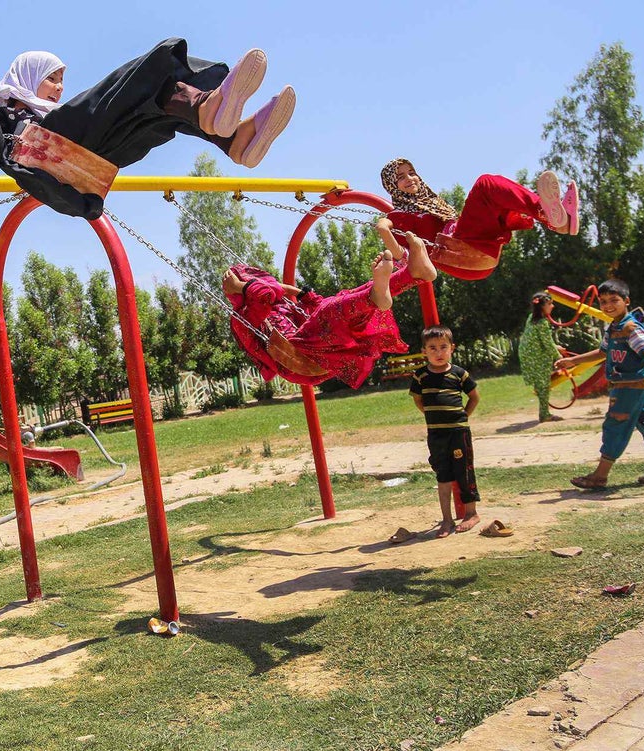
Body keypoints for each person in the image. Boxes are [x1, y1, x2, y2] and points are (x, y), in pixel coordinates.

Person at [0, 39, 297, 220]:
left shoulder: (54, 112)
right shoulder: (9, 109)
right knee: (152, 68)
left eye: (61, 80)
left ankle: (234, 139)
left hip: (90, 159)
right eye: (51, 78)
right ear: (26, 77)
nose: (59, 88)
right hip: (56, 150)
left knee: (156, 108)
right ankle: (208, 107)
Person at [222, 224, 437, 388]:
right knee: (329, 310)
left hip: (318, 350)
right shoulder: (242, 317)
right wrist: (240, 286)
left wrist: (298, 293)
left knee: (341, 301)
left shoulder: (282, 306)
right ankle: (381, 292)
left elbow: (313, 306)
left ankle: (411, 274)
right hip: (297, 358)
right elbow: (265, 294)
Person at [556, 279, 644, 489]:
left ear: (626, 301)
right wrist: (574, 360)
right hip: (638, 389)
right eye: (603, 301)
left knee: (615, 425)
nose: (608, 305)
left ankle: (600, 476)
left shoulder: (630, 328)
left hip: (628, 389)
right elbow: (603, 352)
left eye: (614, 300)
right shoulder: (613, 328)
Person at [378, 159, 580, 280]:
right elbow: (403, 257)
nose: (410, 178)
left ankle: (557, 221)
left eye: (412, 173)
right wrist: (384, 228)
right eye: (401, 177)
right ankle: (546, 213)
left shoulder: (431, 203)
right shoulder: (398, 216)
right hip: (459, 253)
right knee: (486, 184)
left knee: (497, 195)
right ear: (392, 186)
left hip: (480, 250)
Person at [409, 326, 481, 538]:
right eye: (432, 348)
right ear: (424, 351)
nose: (438, 352)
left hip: (459, 432)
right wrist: (433, 417)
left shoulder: (459, 373)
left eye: (443, 347)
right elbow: (418, 400)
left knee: (464, 471)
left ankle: (471, 513)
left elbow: (474, 397)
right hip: (436, 435)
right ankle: (447, 519)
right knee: (443, 475)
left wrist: (463, 417)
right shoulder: (420, 376)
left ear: (452, 348)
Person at [519, 291, 567, 422]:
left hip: (528, 356)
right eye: (550, 304)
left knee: (542, 385)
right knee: (544, 385)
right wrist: (560, 359)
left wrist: (556, 348)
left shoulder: (531, 318)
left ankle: (544, 412)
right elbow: (547, 344)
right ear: (542, 306)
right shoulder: (542, 323)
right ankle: (545, 415)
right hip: (537, 357)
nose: (552, 306)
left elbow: (542, 340)